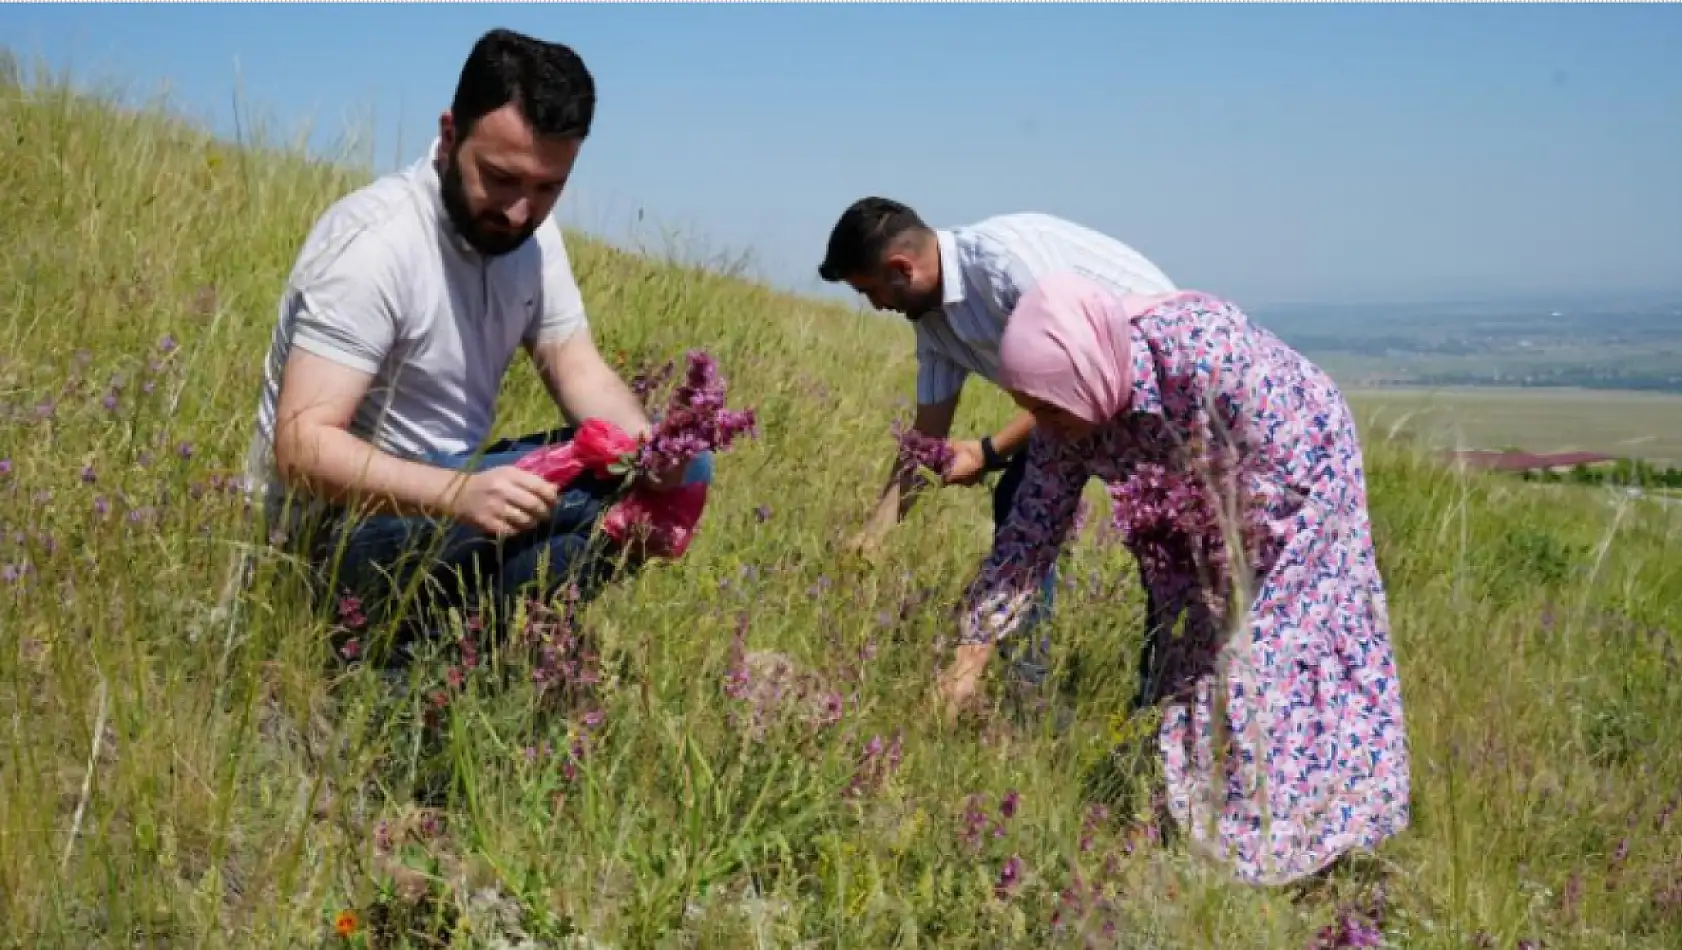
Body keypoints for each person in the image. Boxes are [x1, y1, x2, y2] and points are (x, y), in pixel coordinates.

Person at [934, 271, 1411, 886]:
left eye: (1050, 405)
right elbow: (1027, 541)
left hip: (1297, 470)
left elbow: (1267, 477)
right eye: (1033, 406)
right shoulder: (1063, 423)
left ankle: (1305, 848)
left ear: (1083, 370)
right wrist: (967, 661)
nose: (1043, 423)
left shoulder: (1204, 356)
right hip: (1200, 501)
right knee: (1193, 656)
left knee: (1260, 659)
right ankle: (1213, 840)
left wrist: (1204, 553)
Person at [244, 28, 709, 640]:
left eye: (547, 188)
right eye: (501, 178)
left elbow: (578, 368)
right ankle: (366, 644)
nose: (520, 210)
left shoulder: (532, 242)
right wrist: (459, 494)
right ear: (448, 136)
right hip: (329, 538)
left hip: (446, 507)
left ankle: (459, 651)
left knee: (682, 464)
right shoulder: (376, 245)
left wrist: (653, 455)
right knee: (590, 494)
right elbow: (303, 447)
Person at [815, 198, 1178, 694]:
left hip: (1161, 382)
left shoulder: (1005, 265)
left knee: (1167, 539)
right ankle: (1025, 684)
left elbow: (1076, 372)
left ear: (902, 267)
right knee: (1021, 508)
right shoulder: (933, 324)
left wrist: (987, 452)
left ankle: (1160, 699)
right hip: (1077, 403)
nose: (877, 307)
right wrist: (874, 534)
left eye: (872, 291)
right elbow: (925, 442)